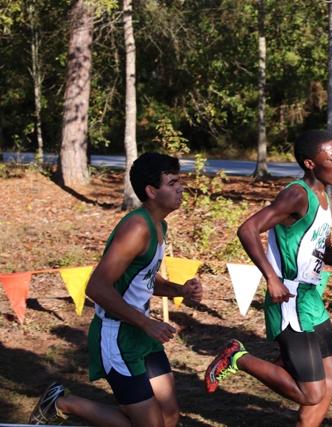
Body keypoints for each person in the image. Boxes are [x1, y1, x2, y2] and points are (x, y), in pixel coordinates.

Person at [28, 152, 203, 427]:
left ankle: (62, 402)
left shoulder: (159, 225)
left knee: (169, 417)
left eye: (179, 180)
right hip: (118, 336)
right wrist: (146, 323)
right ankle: (64, 403)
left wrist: (180, 289)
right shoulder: (136, 227)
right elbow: (96, 288)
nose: (181, 188)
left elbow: (143, 278)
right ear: (151, 191)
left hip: (141, 332)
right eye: (172, 182)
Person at [204, 130, 332, 427]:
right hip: (288, 298)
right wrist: (271, 277)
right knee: (312, 393)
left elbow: (321, 251)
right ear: (311, 163)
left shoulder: (324, 196)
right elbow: (248, 229)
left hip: (311, 299)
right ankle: (238, 357)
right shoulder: (296, 194)